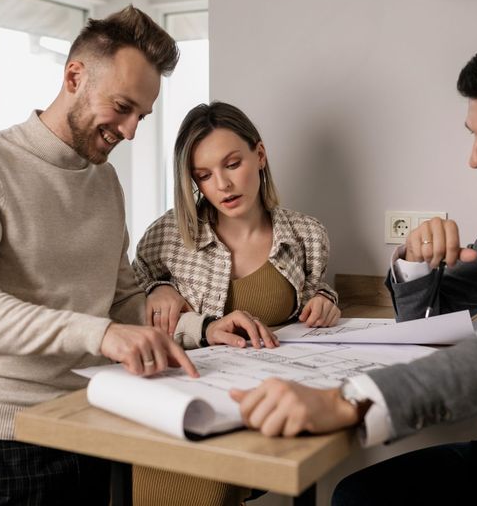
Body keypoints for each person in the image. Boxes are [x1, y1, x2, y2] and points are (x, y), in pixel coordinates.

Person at [230, 40, 477, 506]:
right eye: (474, 134)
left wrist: (347, 400)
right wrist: (412, 259)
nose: (476, 157)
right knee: (357, 495)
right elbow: (432, 317)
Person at [0, 5, 198, 506]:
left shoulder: (106, 182)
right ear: (75, 76)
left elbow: (120, 301)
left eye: (141, 115)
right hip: (3, 442)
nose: (131, 130)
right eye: (123, 106)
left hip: (89, 425)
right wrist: (98, 333)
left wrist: (199, 328)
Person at [131, 101, 340, 505]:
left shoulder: (308, 235)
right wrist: (154, 289)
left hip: (261, 401)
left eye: (232, 164)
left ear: (259, 156)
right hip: (182, 400)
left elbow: (314, 292)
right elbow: (129, 306)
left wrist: (327, 301)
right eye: (204, 175)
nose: (222, 185)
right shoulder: (169, 235)